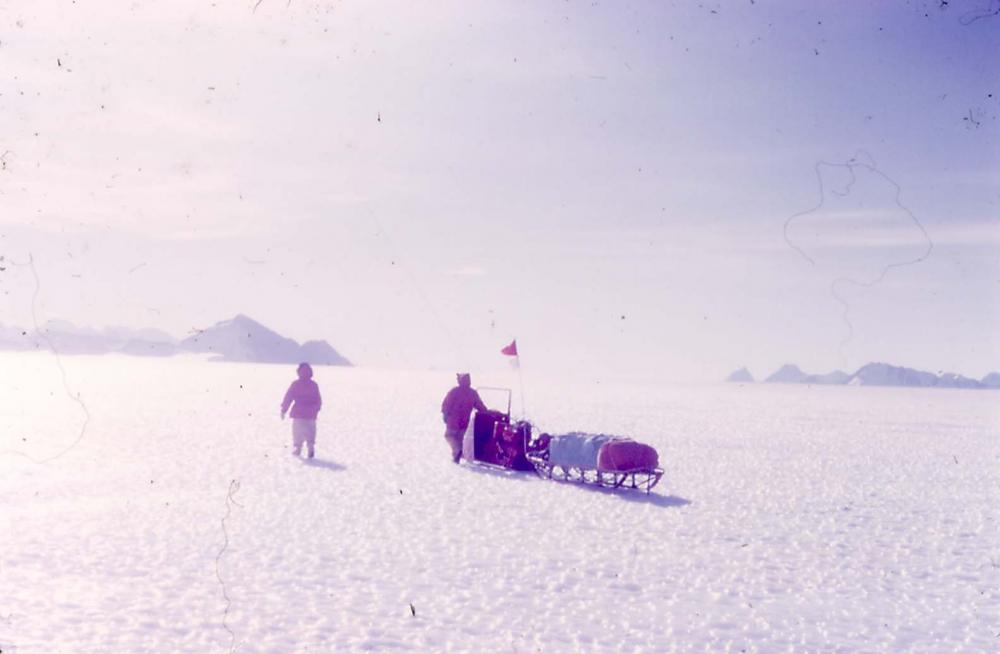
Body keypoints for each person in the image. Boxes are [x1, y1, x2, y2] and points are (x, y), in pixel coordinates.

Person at [441, 372, 488, 464]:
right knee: (459, 439)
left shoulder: (454, 391)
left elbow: (446, 404)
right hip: (464, 421)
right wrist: (487, 412)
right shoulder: (472, 393)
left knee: (449, 436)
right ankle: (456, 458)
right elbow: (480, 406)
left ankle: (457, 452)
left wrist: (445, 414)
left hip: (453, 421)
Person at [281, 362, 322, 458]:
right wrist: (316, 409)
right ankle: (310, 446)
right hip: (311, 413)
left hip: (298, 412)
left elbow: (288, 397)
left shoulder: (296, 384)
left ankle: (298, 448)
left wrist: (284, 409)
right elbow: (318, 399)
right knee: (310, 431)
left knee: (297, 432)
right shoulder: (313, 385)